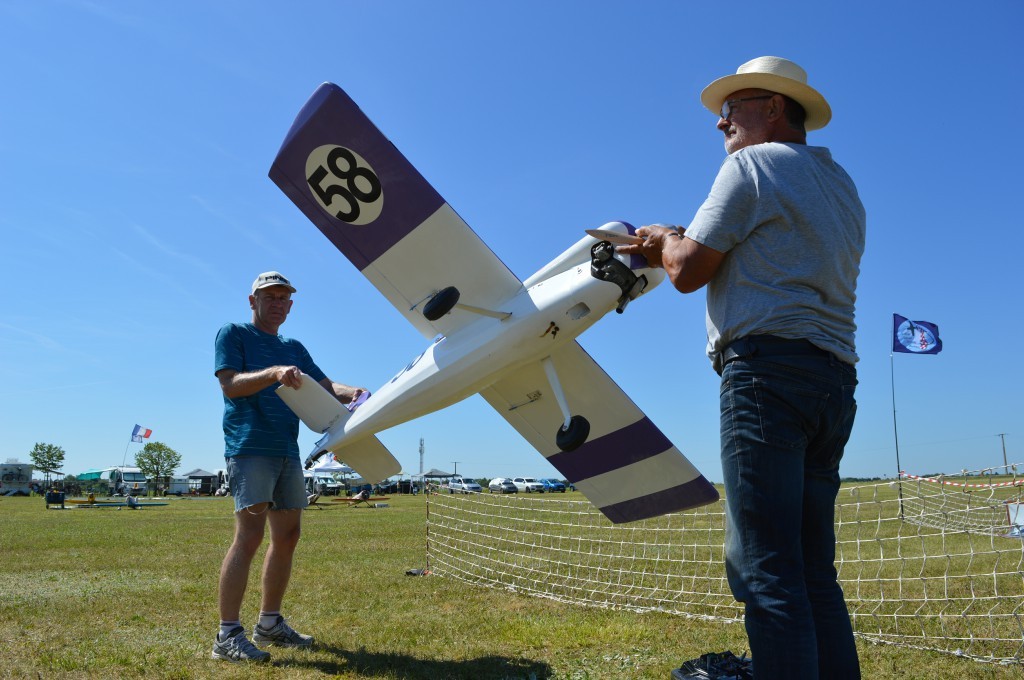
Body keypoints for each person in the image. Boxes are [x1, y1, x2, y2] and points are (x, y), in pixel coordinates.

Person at [621, 57, 864, 679]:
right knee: (813, 570)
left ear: (774, 108)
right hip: (834, 380)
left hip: (765, 375)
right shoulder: (842, 187)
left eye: (733, 108)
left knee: (765, 570)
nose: (722, 122)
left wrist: (661, 239)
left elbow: (686, 272)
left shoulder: (750, 165)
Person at [211, 271, 368, 663]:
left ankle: (270, 624)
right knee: (248, 537)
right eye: (270, 296)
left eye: (284, 297)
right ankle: (227, 636)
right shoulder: (233, 334)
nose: (278, 302)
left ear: (291, 305)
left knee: (289, 536)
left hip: (287, 450)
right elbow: (230, 385)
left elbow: (326, 386)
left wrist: (359, 393)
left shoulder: (293, 346)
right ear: (253, 302)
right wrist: (273, 374)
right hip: (250, 447)